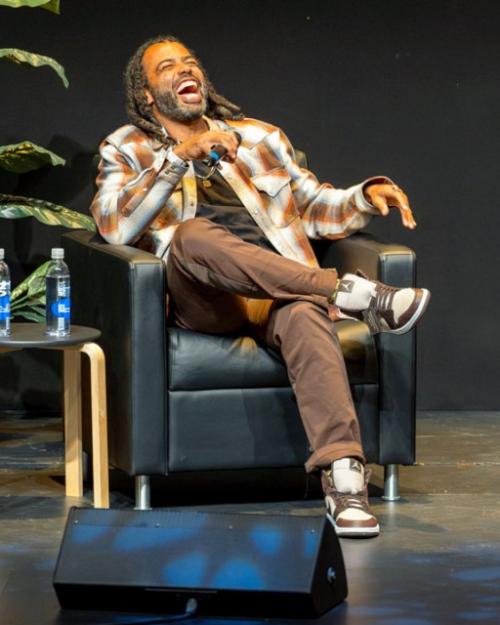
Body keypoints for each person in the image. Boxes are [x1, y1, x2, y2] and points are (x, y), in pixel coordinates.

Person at [90, 35, 430, 538]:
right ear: (145, 94)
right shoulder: (126, 147)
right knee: (192, 235)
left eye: (191, 62)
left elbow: (314, 207)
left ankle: (344, 480)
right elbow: (113, 227)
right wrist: (179, 157)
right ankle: (345, 292)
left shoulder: (259, 137)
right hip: (202, 297)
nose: (187, 70)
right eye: (168, 67)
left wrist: (363, 195)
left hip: (276, 288)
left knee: (304, 310)